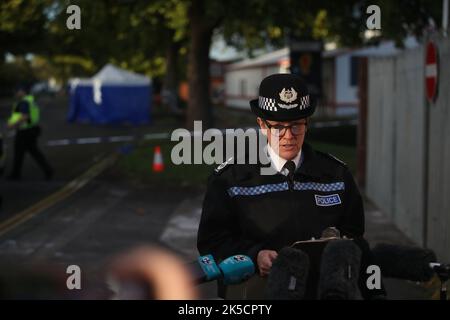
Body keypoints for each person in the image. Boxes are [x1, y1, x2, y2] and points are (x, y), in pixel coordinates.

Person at [197, 73, 386, 299]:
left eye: (297, 125)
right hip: (257, 294)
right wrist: (254, 256)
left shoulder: (337, 175)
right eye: (278, 127)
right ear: (262, 125)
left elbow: (355, 239)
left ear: (307, 123)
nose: (288, 136)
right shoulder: (230, 180)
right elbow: (211, 243)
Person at [7, 84, 53, 180]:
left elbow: (25, 116)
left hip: (25, 131)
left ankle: (16, 174)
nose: (16, 93)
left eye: (18, 91)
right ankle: (47, 170)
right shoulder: (31, 100)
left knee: (20, 153)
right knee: (32, 152)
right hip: (31, 129)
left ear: (23, 92)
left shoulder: (24, 102)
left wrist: (13, 125)